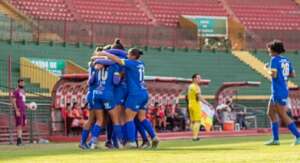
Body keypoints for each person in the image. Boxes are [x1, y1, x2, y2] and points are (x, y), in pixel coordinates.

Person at [94, 48, 159, 148]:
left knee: (129, 118)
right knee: (142, 118)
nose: (127, 56)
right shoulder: (140, 63)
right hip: (144, 93)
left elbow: (117, 59)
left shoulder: (131, 63)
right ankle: (154, 137)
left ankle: (132, 142)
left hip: (135, 94)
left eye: (128, 55)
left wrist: (104, 53)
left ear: (133, 56)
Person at [264, 40, 300, 146]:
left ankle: (298, 136)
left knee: (282, 114)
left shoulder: (274, 59)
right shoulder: (286, 60)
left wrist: (266, 69)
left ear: (273, 50)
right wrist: (282, 76)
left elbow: (273, 75)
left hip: (278, 90)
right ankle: (276, 140)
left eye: (269, 49)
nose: (268, 51)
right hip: (282, 89)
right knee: (270, 113)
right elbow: (293, 74)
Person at [187, 74, 211, 141]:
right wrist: (207, 103)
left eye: (200, 78)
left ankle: (193, 135)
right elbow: (199, 97)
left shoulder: (190, 86)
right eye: (198, 78)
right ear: (194, 79)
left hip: (190, 104)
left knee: (193, 121)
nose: (199, 79)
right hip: (195, 104)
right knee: (197, 121)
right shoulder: (196, 87)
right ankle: (195, 137)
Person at [11, 79, 35, 146]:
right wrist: (16, 110)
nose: (22, 84)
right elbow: (13, 101)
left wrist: (28, 106)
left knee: (22, 125)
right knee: (19, 125)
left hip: (23, 110)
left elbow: (23, 102)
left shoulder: (24, 92)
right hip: (19, 110)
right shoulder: (16, 91)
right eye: (21, 82)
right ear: (18, 83)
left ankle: (20, 139)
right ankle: (19, 141)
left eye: (23, 83)